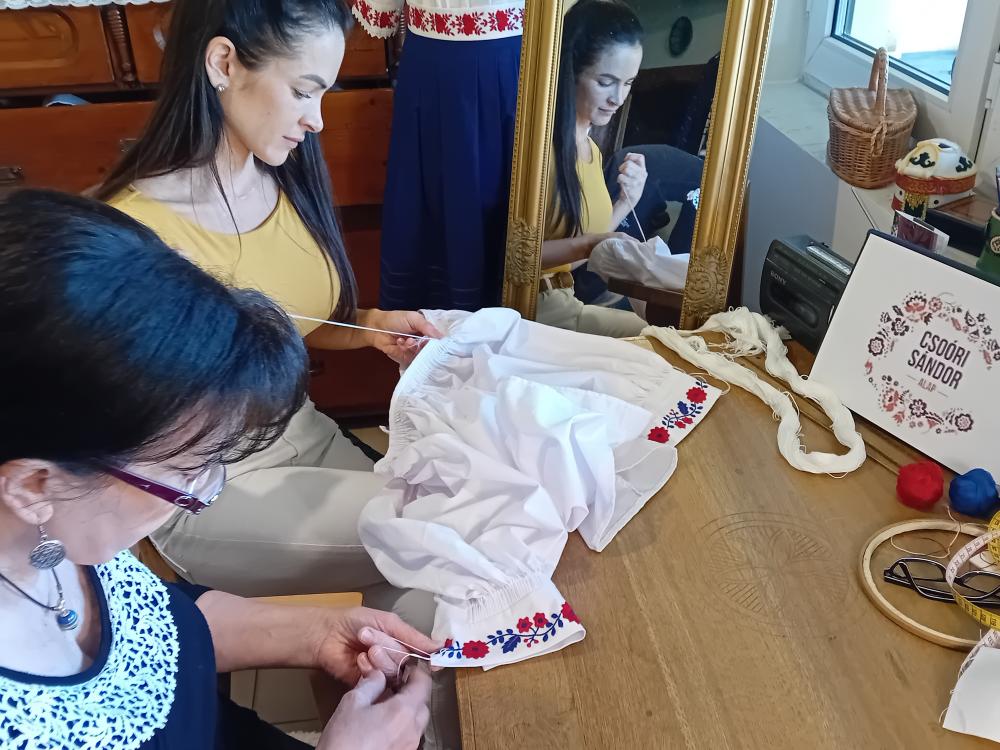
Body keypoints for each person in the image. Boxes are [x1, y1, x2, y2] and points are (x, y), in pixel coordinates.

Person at [0, 189, 435, 749]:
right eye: (190, 470)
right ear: (33, 485)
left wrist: (314, 633)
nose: (205, 492)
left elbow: (151, 626)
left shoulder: (56, 527)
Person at [96, 0, 436, 613]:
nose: (317, 120)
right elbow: (125, 422)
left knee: (432, 574)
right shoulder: (134, 234)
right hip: (212, 480)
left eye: (324, 94)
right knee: (445, 529)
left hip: (305, 432)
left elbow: (294, 319)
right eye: (304, 91)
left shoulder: (282, 176)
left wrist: (368, 328)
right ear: (224, 63)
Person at [353, 0, 524, 312]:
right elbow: (382, 14)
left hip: (511, 62)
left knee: (514, 213)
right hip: (437, 69)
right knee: (436, 201)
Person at [537, 0, 649, 337]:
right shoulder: (539, 153)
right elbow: (511, 257)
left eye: (628, 83)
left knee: (666, 331)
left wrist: (626, 203)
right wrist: (589, 245)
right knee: (657, 337)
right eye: (606, 81)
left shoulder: (593, 151)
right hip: (533, 309)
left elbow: (575, 253)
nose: (619, 98)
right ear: (572, 72)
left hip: (564, 301)